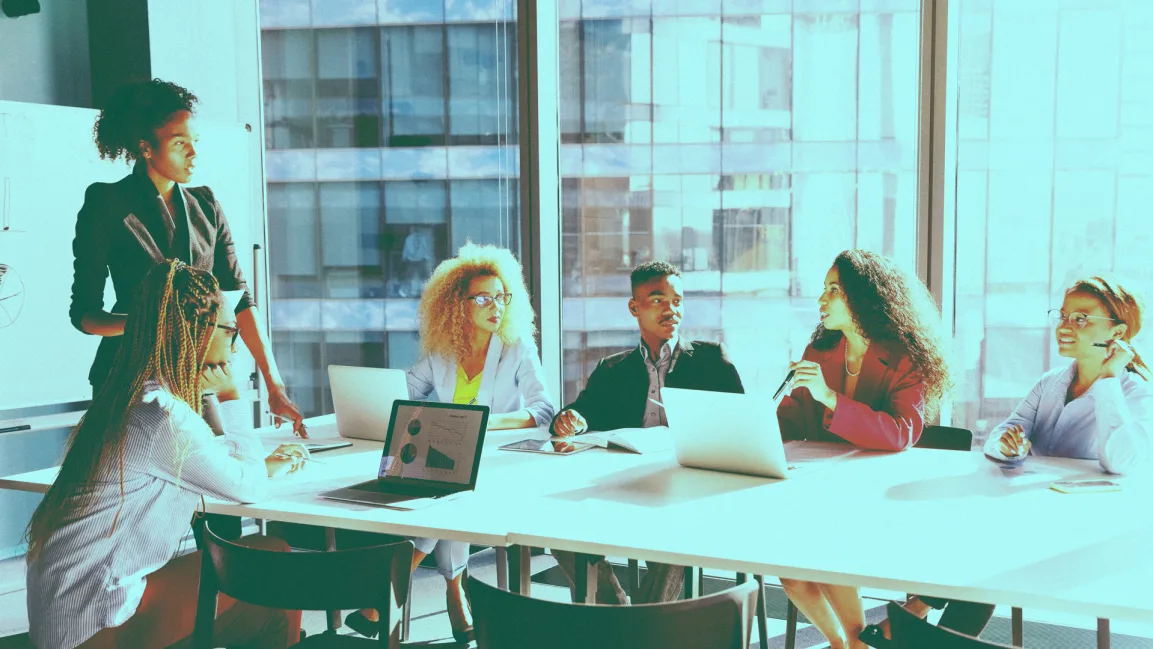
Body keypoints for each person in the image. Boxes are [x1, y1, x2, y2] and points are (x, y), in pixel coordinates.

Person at [25, 260, 310, 649]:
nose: (235, 342)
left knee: (266, 573)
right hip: (99, 624)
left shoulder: (137, 398)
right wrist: (229, 393)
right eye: (232, 330)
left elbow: (188, 462)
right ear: (202, 332)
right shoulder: (165, 416)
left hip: (68, 613)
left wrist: (258, 466)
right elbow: (250, 489)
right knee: (272, 564)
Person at [861, 275, 1153, 648]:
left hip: (1082, 531)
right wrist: (1010, 445)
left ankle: (918, 611)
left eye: (1080, 319)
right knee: (984, 539)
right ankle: (930, 634)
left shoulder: (1136, 393)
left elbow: (1122, 461)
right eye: (1063, 315)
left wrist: (1109, 379)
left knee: (989, 543)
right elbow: (1005, 432)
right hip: (1027, 518)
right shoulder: (1051, 383)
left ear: (1118, 331)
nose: (1064, 326)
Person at [69, 78, 305, 436]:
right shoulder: (106, 203)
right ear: (146, 147)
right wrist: (152, 326)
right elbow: (85, 315)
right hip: (128, 381)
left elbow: (239, 300)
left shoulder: (205, 205)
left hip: (200, 374)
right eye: (180, 144)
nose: (193, 154)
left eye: (194, 142)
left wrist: (275, 385)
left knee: (223, 479)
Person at [345, 243, 555, 642]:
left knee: (443, 500)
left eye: (501, 296)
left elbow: (543, 410)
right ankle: (454, 592)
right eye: (483, 298)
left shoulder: (516, 349)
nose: (496, 306)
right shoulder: (443, 354)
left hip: (497, 465)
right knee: (444, 493)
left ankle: (395, 594)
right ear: (458, 305)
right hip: (444, 462)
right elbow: (403, 394)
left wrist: (480, 423)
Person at [776, 250, 951, 649]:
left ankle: (855, 645)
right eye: (823, 289)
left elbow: (900, 432)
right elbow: (788, 421)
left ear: (865, 297)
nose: (821, 299)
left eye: (833, 290)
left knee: (825, 551)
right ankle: (846, 646)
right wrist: (754, 424)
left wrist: (830, 398)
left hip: (880, 496)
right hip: (822, 489)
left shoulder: (906, 357)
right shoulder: (820, 351)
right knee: (790, 571)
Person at [550, 260, 744, 605]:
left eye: (677, 301)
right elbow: (582, 410)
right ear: (634, 307)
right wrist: (572, 418)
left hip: (688, 490)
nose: (671, 309)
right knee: (554, 524)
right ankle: (617, 606)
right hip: (623, 484)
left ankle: (643, 630)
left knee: (675, 534)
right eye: (658, 300)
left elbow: (742, 428)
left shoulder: (712, 361)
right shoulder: (613, 369)